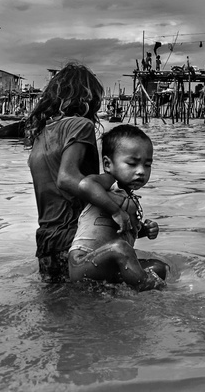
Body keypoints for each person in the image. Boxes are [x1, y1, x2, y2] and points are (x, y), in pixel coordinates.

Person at [27, 62, 133, 282]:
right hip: (75, 237)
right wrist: (115, 209)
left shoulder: (40, 136)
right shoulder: (80, 125)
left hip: (46, 241)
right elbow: (66, 178)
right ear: (86, 99)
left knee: (59, 308)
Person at [68, 124, 168, 290]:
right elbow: (85, 184)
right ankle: (144, 289)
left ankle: (132, 288)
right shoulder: (108, 183)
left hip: (108, 266)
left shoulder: (130, 200)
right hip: (82, 263)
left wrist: (144, 230)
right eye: (132, 164)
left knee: (159, 267)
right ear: (108, 164)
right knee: (121, 248)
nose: (141, 171)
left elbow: (124, 231)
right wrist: (115, 211)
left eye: (147, 165)